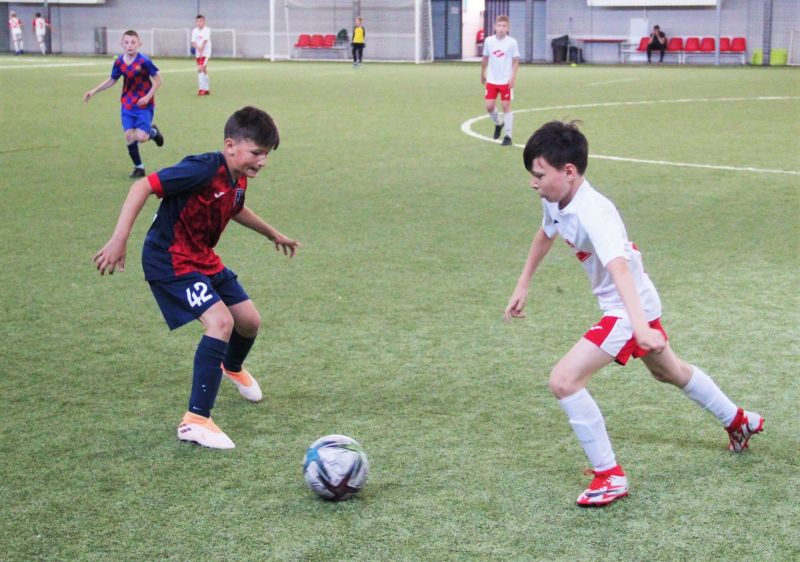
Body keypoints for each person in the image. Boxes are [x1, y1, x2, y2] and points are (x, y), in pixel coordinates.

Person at [504, 120, 764, 507]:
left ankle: (610, 476)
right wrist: (523, 284)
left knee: (564, 380)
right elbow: (546, 233)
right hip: (633, 304)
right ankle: (739, 421)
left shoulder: (597, 212)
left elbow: (619, 268)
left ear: (569, 171)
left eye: (539, 175)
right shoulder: (554, 200)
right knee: (670, 372)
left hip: (628, 308)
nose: (533, 183)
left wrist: (639, 326)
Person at [92, 106, 300, 450]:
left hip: (202, 258)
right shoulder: (202, 168)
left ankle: (231, 366)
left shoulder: (238, 176)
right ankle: (195, 420)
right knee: (220, 322)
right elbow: (143, 186)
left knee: (249, 321)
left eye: (266, 154)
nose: (262, 161)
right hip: (169, 260)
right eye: (256, 152)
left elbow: (235, 207)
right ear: (230, 145)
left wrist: (272, 234)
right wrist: (119, 239)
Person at [84, 29, 165, 178]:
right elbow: (112, 79)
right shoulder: (119, 62)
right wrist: (94, 90)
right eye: (126, 42)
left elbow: (159, 80)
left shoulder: (144, 61)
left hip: (144, 105)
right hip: (127, 104)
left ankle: (153, 133)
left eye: (133, 42)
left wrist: (148, 96)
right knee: (129, 136)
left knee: (140, 137)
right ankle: (139, 167)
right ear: (122, 44)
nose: (130, 45)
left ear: (139, 44)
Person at [481, 15, 519, 147]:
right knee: (489, 106)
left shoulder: (512, 43)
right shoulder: (488, 41)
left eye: (504, 26)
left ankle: (508, 136)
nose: (501, 28)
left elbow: (515, 61)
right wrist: (482, 73)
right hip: (492, 80)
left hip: (505, 80)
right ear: (494, 27)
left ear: (508, 28)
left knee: (505, 105)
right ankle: (499, 123)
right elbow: (485, 58)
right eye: (499, 26)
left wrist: (513, 77)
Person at [191, 14, 211, 95]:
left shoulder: (207, 30)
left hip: (205, 53)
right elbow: (193, 42)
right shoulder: (194, 31)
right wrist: (198, 49)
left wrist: (201, 51)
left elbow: (204, 41)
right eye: (197, 21)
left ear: (204, 22)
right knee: (204, 69)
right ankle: (207, 89)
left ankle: (201, 89)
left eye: (200, 21)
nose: (199, 23)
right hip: (198, 53)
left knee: (200, 68)